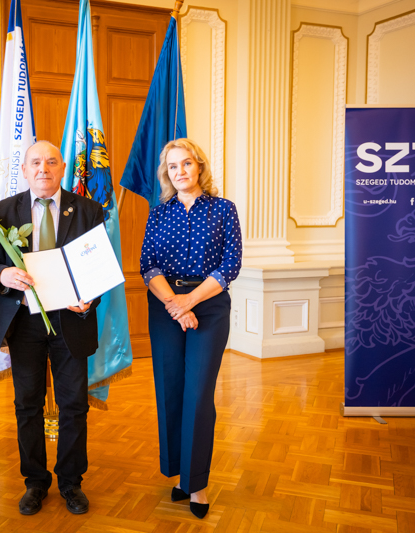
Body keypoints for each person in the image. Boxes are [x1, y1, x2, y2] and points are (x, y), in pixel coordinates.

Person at [0, 141, 104, 516]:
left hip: (71, 320)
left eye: (51, 161)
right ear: (24, 169)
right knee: (27, 405)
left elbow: (98, 266)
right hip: (24, 323)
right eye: (35, 162)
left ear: (62, 167)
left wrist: (90, 297)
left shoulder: (89, 210)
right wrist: (3, 274)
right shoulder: (3, 212)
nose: (43, 168)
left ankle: (71, 482)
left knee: (74, 405)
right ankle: (35, 482)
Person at [140, 138, 242, 519]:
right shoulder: (158, 213)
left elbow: (230, 264)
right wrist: (175, 304)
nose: (180, 171)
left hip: (209, 306)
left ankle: (196, 484)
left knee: (198, 394)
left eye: (186, 163)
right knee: (170, 389)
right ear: (166, 174)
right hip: (165, 306)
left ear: (199, 166)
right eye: (172, 166)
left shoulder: (223, 209)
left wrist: (190, 301)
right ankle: (180, 474)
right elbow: (148, 266)